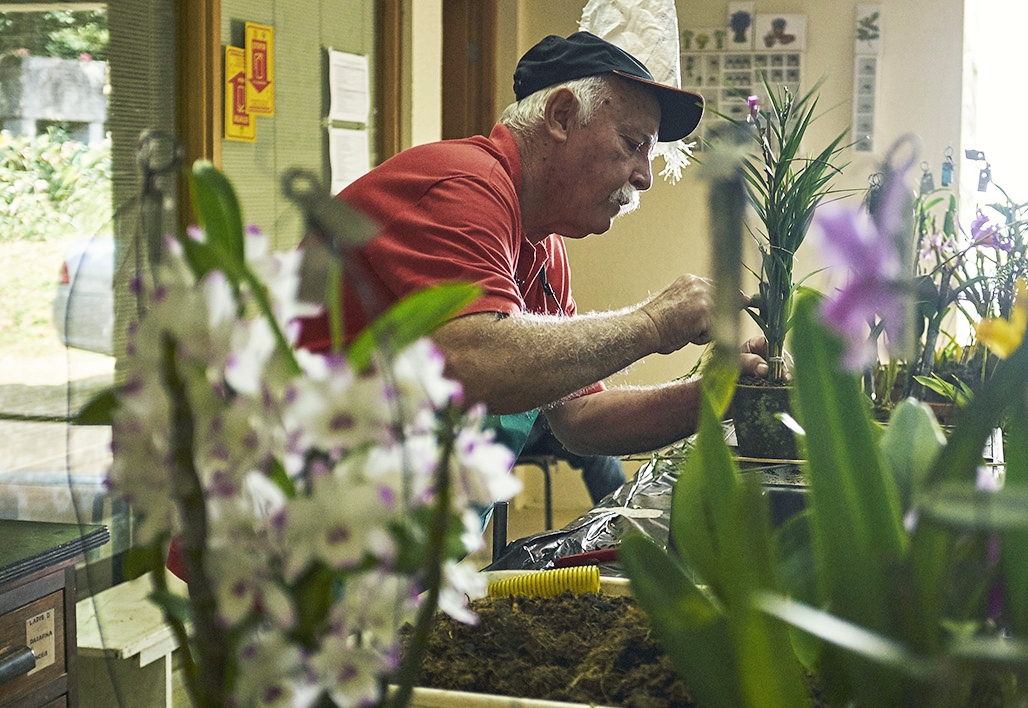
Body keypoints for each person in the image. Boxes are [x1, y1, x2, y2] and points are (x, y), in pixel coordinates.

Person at [298, 30, 767, 466]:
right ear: (562, 116)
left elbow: (583, 420)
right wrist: (654, 323)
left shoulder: (541, 241)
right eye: (632, 144)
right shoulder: (465, 184)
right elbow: (475, 364)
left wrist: (720, 389)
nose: (644, 176)